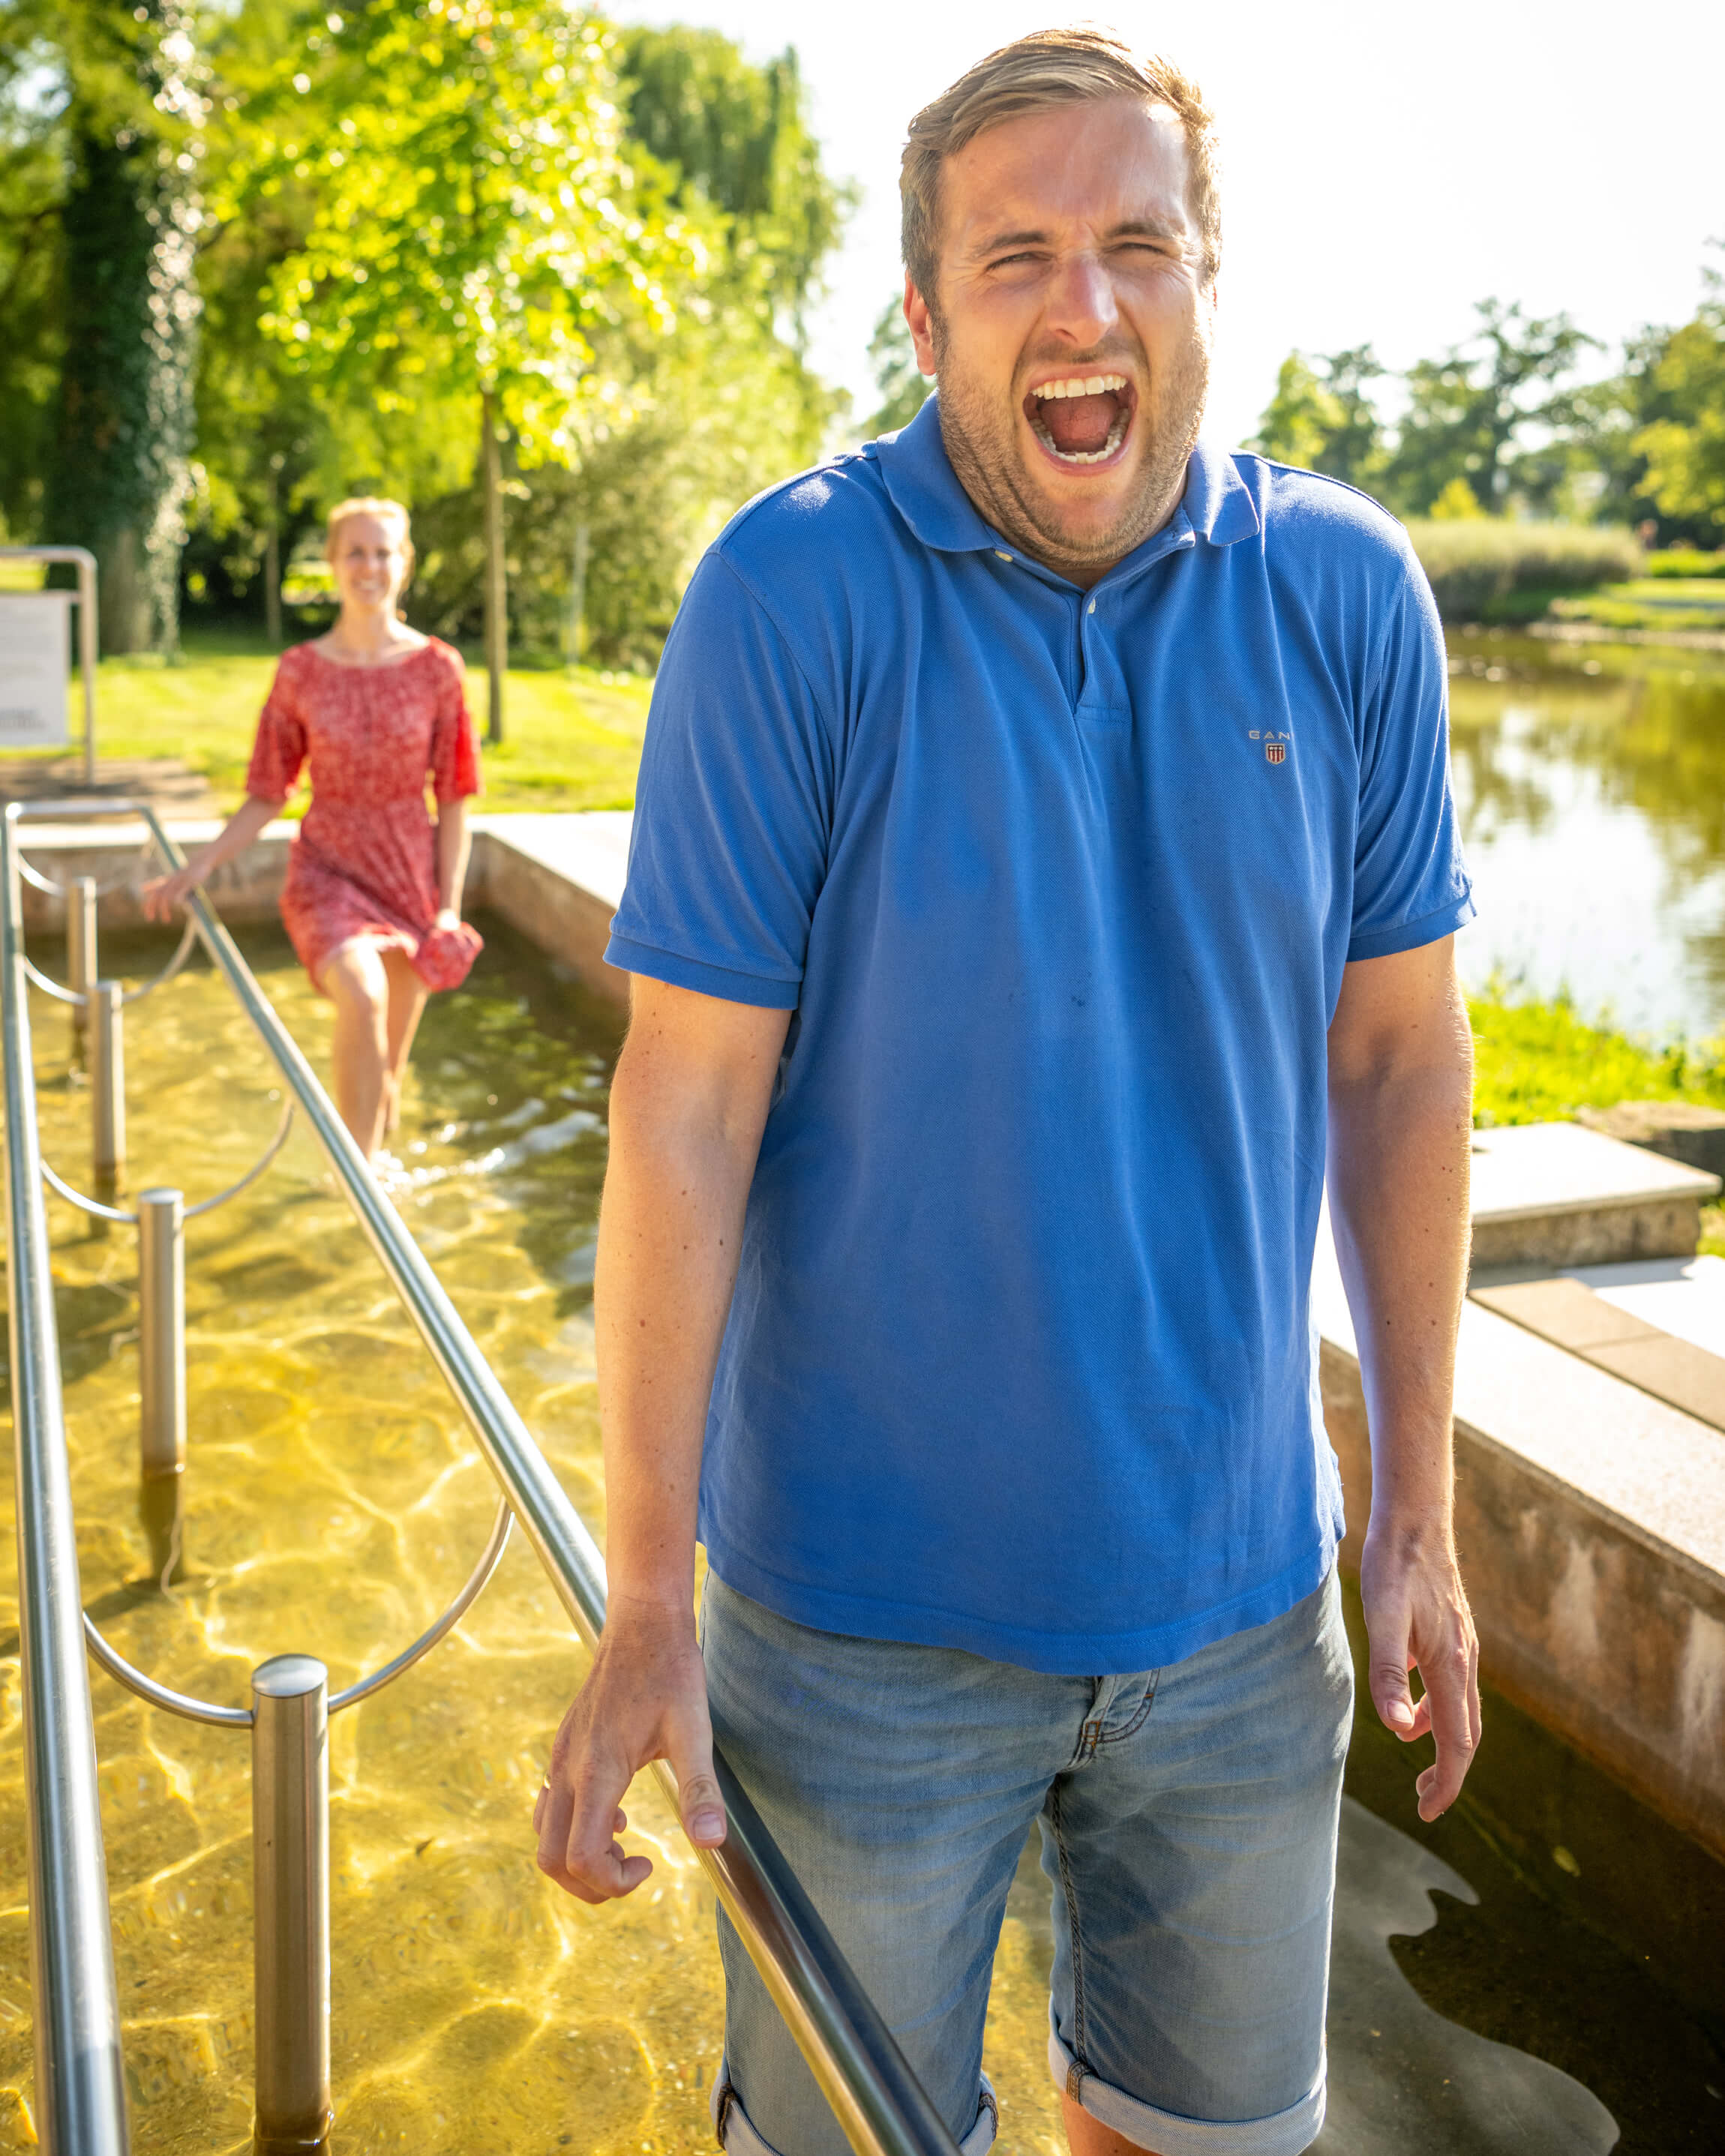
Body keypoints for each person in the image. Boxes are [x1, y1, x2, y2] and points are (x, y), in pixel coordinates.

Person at [535, 28, 1481, 2156]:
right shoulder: (787, 594)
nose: (1083, 305)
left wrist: (1412, 1507)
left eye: (1135, 243)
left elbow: (1399, 1058)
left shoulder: (1342, 592)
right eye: (1015, 256)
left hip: (1241, 1619)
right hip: (853, 1638)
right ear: (922, 314)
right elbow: (682, 1108)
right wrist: (651, 1593)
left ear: (1204, 277)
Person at [142, 496, 482, 1162]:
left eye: (383, 552)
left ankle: (372, 1189)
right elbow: (269, 791)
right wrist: (201, 864)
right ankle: (355, 1189)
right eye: (355, 551)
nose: (369, 566)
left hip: (409, 883)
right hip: (327, 874)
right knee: (362, 994)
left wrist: (447, 909)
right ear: (332, 561)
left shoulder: (438, 669)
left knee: (387, 1077)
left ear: (404, 563)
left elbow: (455, 797)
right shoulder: (300, 670)